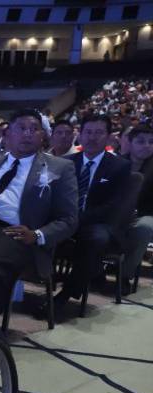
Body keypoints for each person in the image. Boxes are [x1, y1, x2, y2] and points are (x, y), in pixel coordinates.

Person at [0, 109, 79, 320]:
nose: (28, 134)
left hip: (17, 233)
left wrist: (37, 235)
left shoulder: (60, 167)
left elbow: (69, 219)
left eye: (34, 129)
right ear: (8, 134)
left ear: (43, 136)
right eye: (22, 128)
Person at [54, 114, 132, 315]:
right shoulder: (66, 162)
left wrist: (77, 220)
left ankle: (66, 294)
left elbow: (113, 206)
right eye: (88, 132)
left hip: (98, 222)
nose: (92, 137)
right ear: (80, 135)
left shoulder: (120, 166)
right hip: (67, 218)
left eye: (99, 132)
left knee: (96, 239)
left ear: (108, 137)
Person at [120, 125, 153, 289]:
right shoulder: (117, 162)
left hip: (145, 214)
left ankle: (124, 275)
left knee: (144, 228)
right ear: (130, 142)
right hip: (116, 213)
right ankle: (96, 272)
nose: (147, 146)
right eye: (141, 141)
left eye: (151, 142)